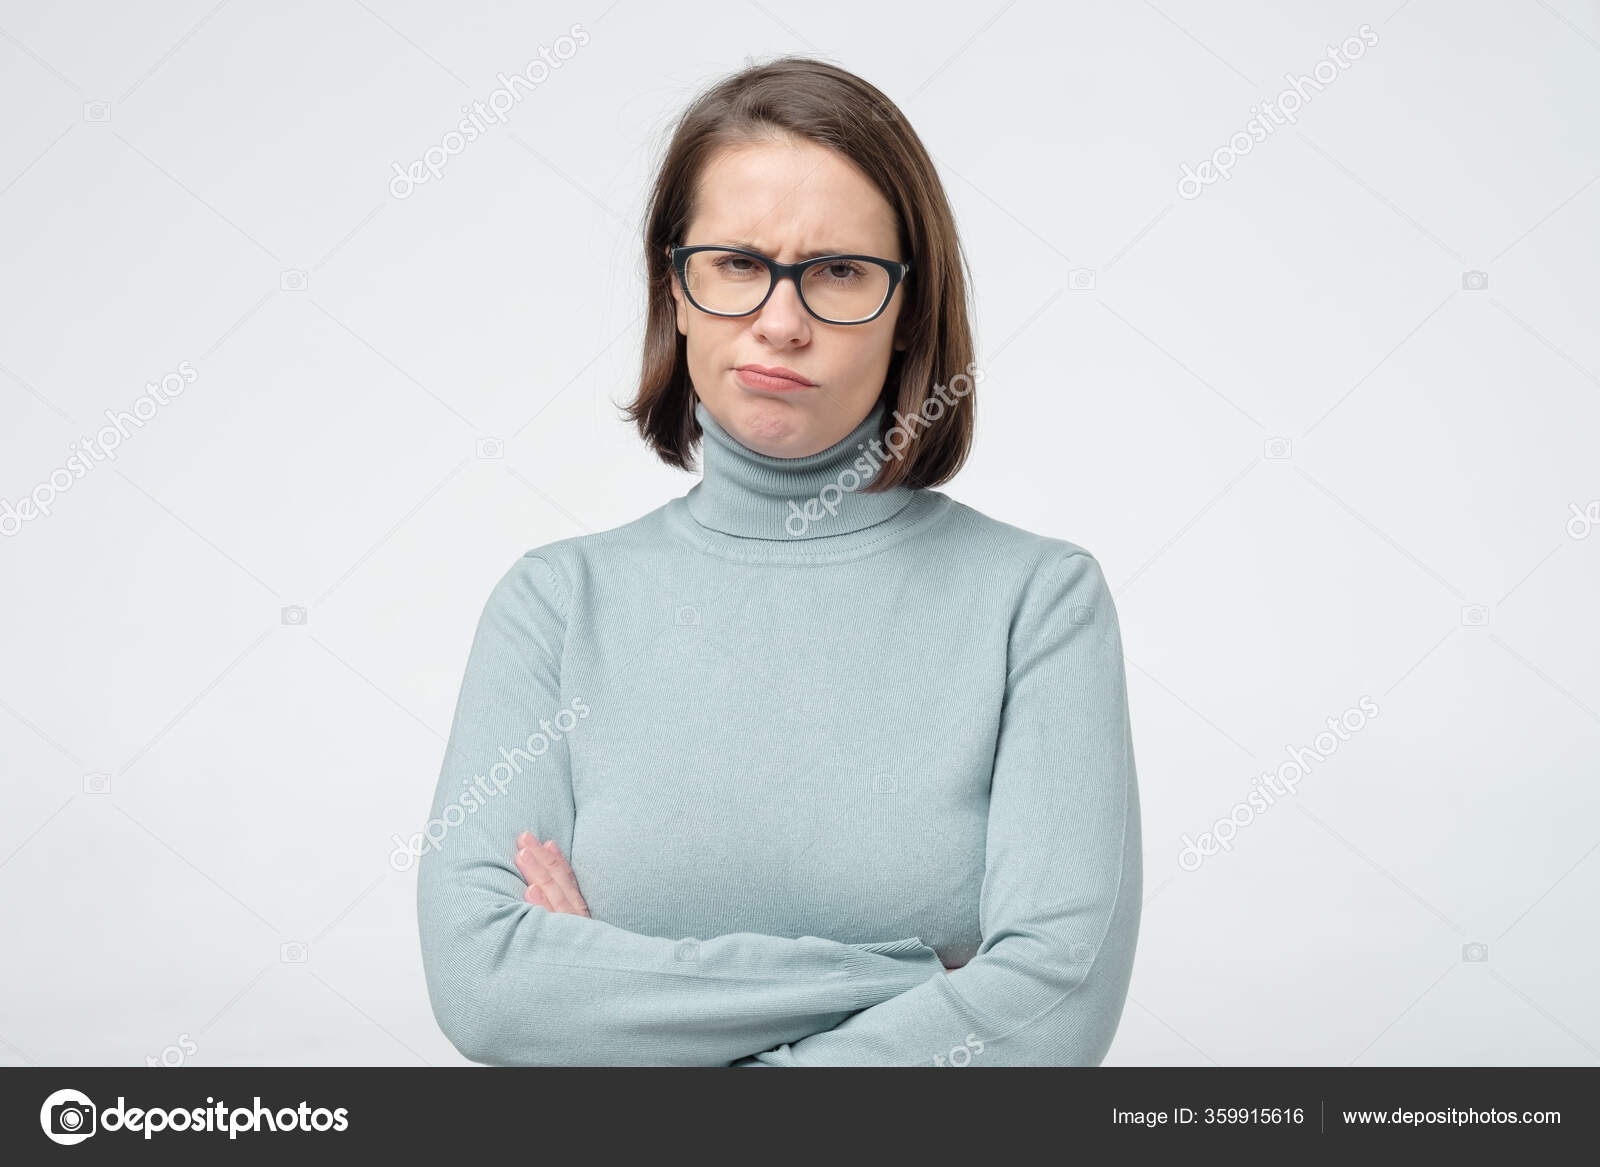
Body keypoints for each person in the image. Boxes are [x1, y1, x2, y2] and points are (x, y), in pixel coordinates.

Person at [416, 55, 1141, 1066]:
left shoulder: (1036, 604)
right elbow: (490, 989)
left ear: (905, 314)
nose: (781, 320)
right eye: (738, 263)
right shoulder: (554, 607)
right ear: (675, 288)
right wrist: (912, 981)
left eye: (839, 271)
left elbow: (1051, 1016)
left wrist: (621, 993)